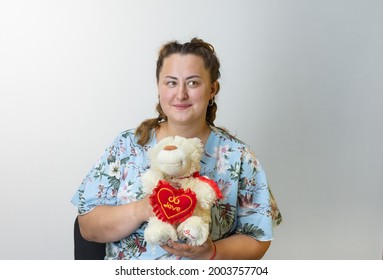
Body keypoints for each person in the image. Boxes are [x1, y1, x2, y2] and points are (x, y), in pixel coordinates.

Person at [71, 37, 282, 260]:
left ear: (212, 89)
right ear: (159, 87)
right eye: (171, 82)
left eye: (193, 83)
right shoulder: (127, 146)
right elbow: (87, 227)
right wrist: (142, 209)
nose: (180, 94)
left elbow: (259, 238)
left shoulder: (239, 157)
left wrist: (213, 252)